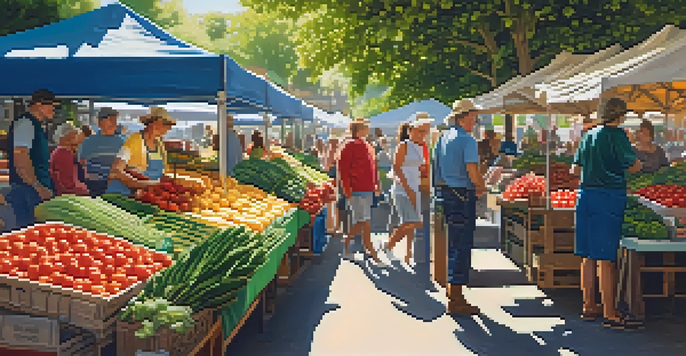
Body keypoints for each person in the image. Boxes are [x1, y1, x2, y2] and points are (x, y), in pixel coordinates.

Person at [573, 97, 642, 329]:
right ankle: (610, 312)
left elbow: (575, 169)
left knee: (588, 255)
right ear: (620, 115)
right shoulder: (618, 136)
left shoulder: (588, 135)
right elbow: (633, 166)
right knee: (606, 257)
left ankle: (589, 305)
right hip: (608, 197)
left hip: (585, 197)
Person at [433, 98, 486, 315]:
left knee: (454, 242)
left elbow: (435, 166)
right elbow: (472, 170)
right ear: (464, 117)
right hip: (462, 193)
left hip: (446, 192)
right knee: (462, 244)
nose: (474, 119)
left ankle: (453, 290)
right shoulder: (467, 140)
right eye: (472, 115)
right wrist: (481, 186)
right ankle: (456, 296)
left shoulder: (443, 137)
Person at [384, 115, 433, 264]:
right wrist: (407, 187)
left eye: (425, 131)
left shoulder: (421, 146)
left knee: (411, 222)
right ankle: (388, 245)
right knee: (412, 221)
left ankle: (407, 252)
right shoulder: (404, 145)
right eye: (420, 131)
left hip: (415, 188)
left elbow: (424, 168)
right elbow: (396, 167)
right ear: (410, 130)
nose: (423, 134)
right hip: (402, 189)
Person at [6, 89, 56, 228]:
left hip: (31, 189)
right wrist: (37, 186)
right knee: (29, 232)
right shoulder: (26, 124)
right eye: (51, 105)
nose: (53, 108)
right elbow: (21, 157)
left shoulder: (34, 125)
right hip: (27, 190)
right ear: (39, 105)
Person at [338, 118, 382, 264]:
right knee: (363, 221)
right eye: (365, 127)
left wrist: (376, 183)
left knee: (365, 221)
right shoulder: (350, 145)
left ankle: (365, 247)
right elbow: (343, 169)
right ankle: (351, 245)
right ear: (359, 129)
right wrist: (347, 190)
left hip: (366, 188)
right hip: (357, 189)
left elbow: (373, 167)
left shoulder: (366, 145)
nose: (368, 129)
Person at [106, 107, 174, 195]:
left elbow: (161, 174)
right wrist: (137, 183)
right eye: (164, 124)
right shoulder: (133, 140)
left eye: (167, 125)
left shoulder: (159, 144)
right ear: (151, 123)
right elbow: (115, 170)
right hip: (127, 194)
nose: (167, 128)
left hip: (149, 194)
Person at [79, 107, 126, 197]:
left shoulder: (123, 142)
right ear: (100, 123)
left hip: (117, 186)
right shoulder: (88, 142)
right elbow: (81, 164)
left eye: (114, 120)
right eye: (109, 120)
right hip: (94, 186)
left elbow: (127, 166)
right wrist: (87, 175)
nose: (112, 123)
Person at [50, 123, 89, 197]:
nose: (77, 140)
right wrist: (85, 191)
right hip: (69, 196)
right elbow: (66, 183)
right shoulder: (63, 153)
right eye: (74, 137)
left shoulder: (66, 152)